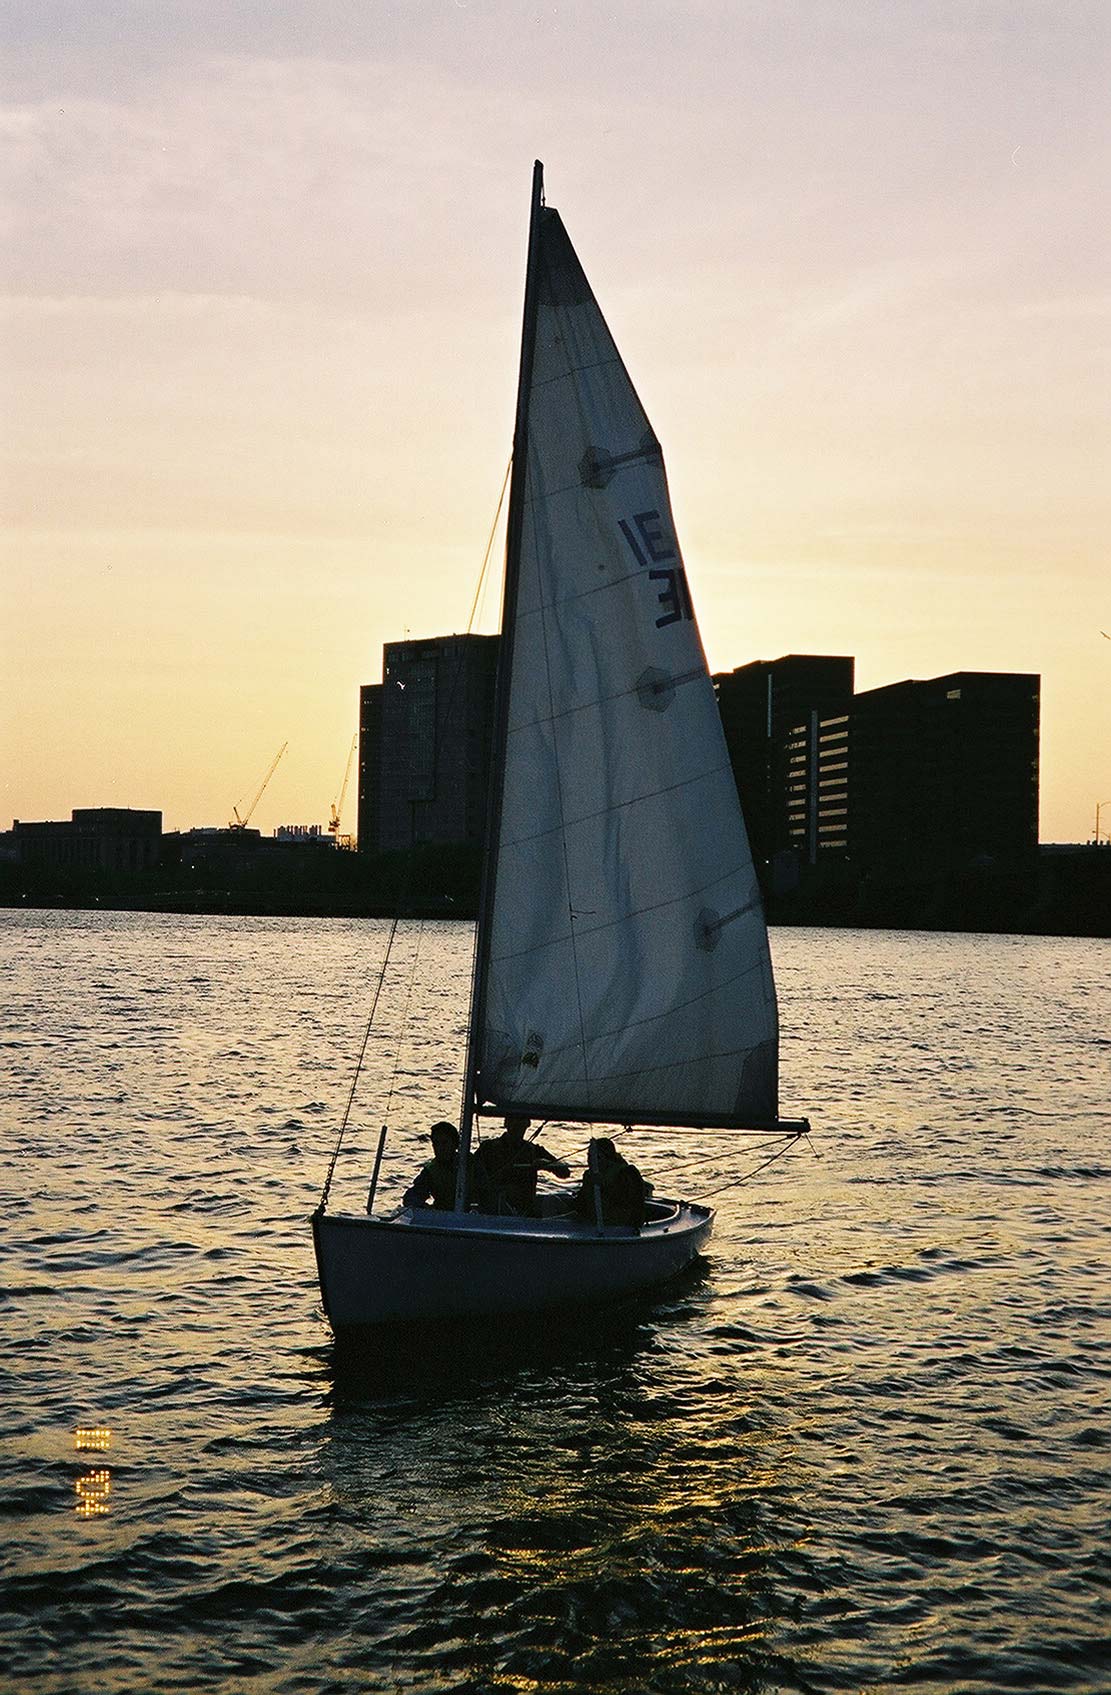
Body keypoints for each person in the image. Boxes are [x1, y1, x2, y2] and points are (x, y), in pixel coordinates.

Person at [473, 1114, 571, 1215]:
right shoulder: (488, 1147)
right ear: (506, 1123)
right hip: (495, 1207)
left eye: (521, 1121)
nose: (516, 1124)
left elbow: (565, 1173)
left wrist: (548, 1165)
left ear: (528, 1124)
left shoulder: (534, 1150)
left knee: (553, 1201)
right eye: (513, 1120)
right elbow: (471, 1174)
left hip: (526, 1208)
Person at [573, 1137, 649, 1228]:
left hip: (620, 1226)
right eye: (589, 1156)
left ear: (608, 1158)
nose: (590, 1161)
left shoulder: (626, 1173)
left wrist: (603, 1185)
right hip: (592, 1224)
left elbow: (628, 1202)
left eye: (597, 1157)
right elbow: (582, 1203)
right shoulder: (588, 1175)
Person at [402, 1121, 462, 1211]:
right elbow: (412, 1197)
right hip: (444, 1217)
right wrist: (425, 1208)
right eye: (436, 1143)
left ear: (455, 1144)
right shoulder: (431, 1170)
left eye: (444, 1143)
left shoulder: (470, 1164)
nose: (440, 1148)